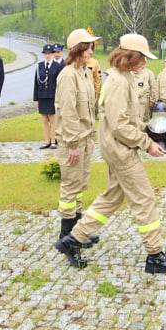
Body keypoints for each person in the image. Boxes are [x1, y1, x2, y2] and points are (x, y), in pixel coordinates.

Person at [54, 33, 166, 274]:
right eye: (142, 58)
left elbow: (126, 119)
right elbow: (118, 125)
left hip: (118, 147)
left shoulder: (122, 77)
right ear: (129, 57)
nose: (145, 62)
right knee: (145, 199)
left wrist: (150, 131)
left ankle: (72, 240)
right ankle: (155, 255)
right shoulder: (117, 81)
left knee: (111, 197)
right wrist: (146, 143)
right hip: (120, 150)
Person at [54, 28, 102, 247]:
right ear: (78, 49)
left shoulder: (84, 72)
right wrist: (73, 143)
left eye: (92, 47)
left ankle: (78, 231)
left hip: (83, 139)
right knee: (70, 186)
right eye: (88, 48)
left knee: (81, 184)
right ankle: (66, 235)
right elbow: (68, 112)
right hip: (71, 141)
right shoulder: (68, 75)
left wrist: (90, 137)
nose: (91, 52)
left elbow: (88, 110)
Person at [33, 44, 63, 149]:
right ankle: (46, 141)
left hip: (52, 96)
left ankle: (53, 141)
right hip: (42, 96)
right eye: (45, 54)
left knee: (53, 119)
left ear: (52, 54)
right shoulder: (39, 66)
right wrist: (36, 98)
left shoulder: (58, 66)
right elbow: (36, 83)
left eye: (49, 54)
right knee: (44, 119)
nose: (47, 56)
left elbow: (60, 83)